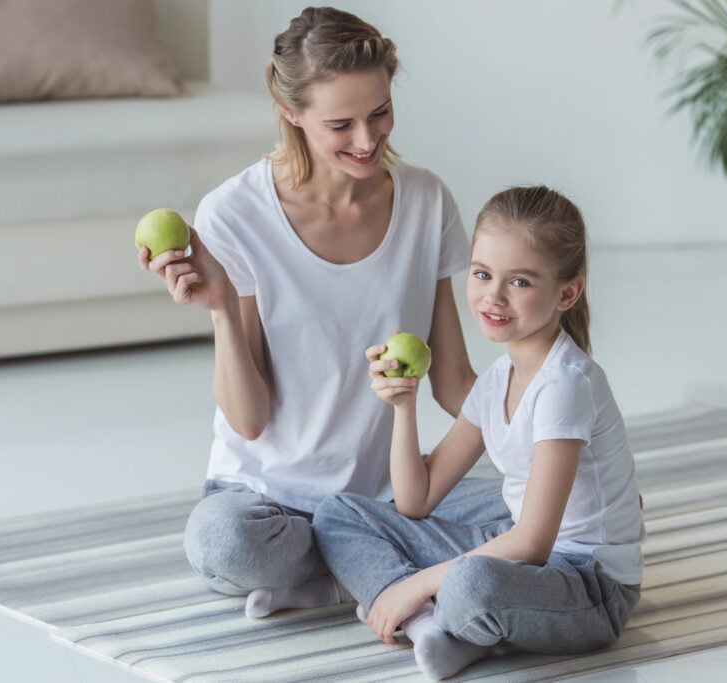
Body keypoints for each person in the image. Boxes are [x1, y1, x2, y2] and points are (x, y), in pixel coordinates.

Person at [138, 6, 506, 619]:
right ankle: (380, 561)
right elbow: (250, 422)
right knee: (224, 544)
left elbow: (453, 384)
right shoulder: (233, 214)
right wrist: (223, 307)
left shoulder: (425, 200)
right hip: (270, 504)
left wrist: (555, 451)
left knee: (552, 510)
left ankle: (350, 564)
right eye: (341, 124)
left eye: (380, 113)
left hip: (383, 497)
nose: (367, 140)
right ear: (291, 113)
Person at [313, 185, 646, 680]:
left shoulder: (565, 385)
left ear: (567, 293)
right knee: (338, 512)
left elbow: (532, 542)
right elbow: (416, 501)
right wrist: (404, 406)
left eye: (520, 282)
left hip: (589, 586)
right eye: (483, 274)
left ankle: (415, 603)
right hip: (518, 557)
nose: (493, 296)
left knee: (472, 583)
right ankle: (434, 625)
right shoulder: (495, 382)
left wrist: (419, 582)